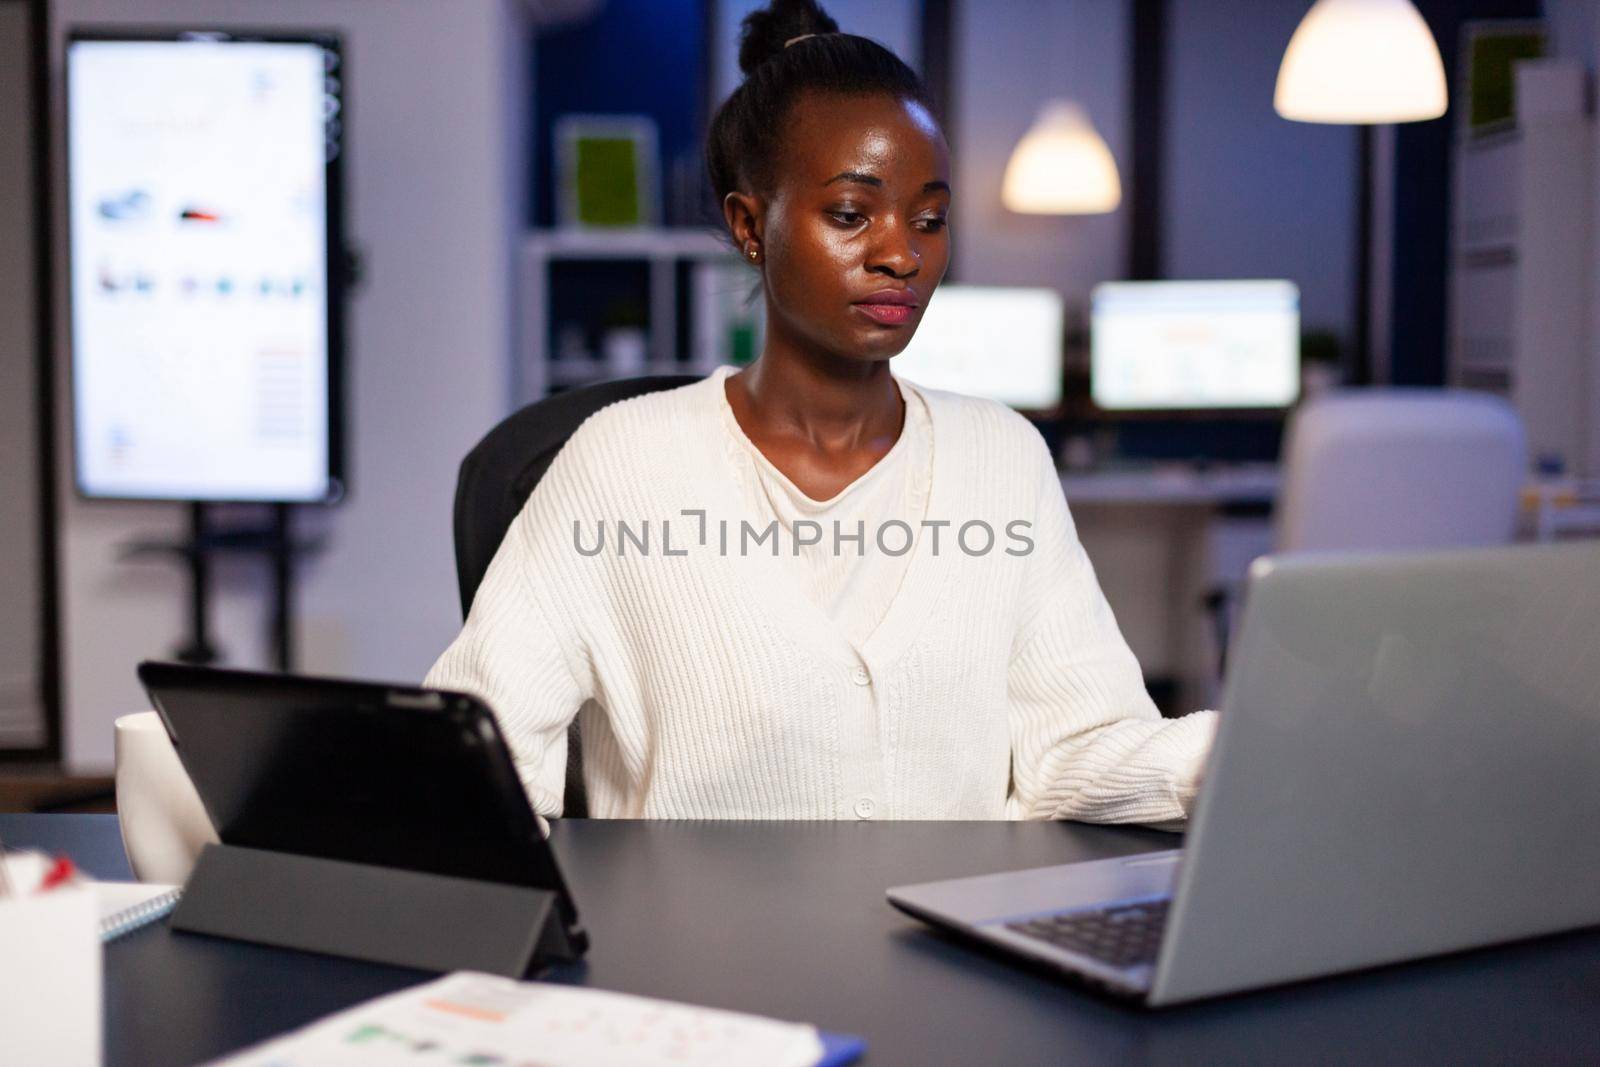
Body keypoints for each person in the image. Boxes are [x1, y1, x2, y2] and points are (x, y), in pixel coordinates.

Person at [425, 0, 1216, 830]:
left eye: (930, 220)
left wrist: (1256, 747)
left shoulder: (1003, 458)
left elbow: (1077, 749)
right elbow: (479, 759)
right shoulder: (618, 463)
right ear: (748, 226)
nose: (901, 253)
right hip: (690, 955)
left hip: (952, 946)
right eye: (850, 214)